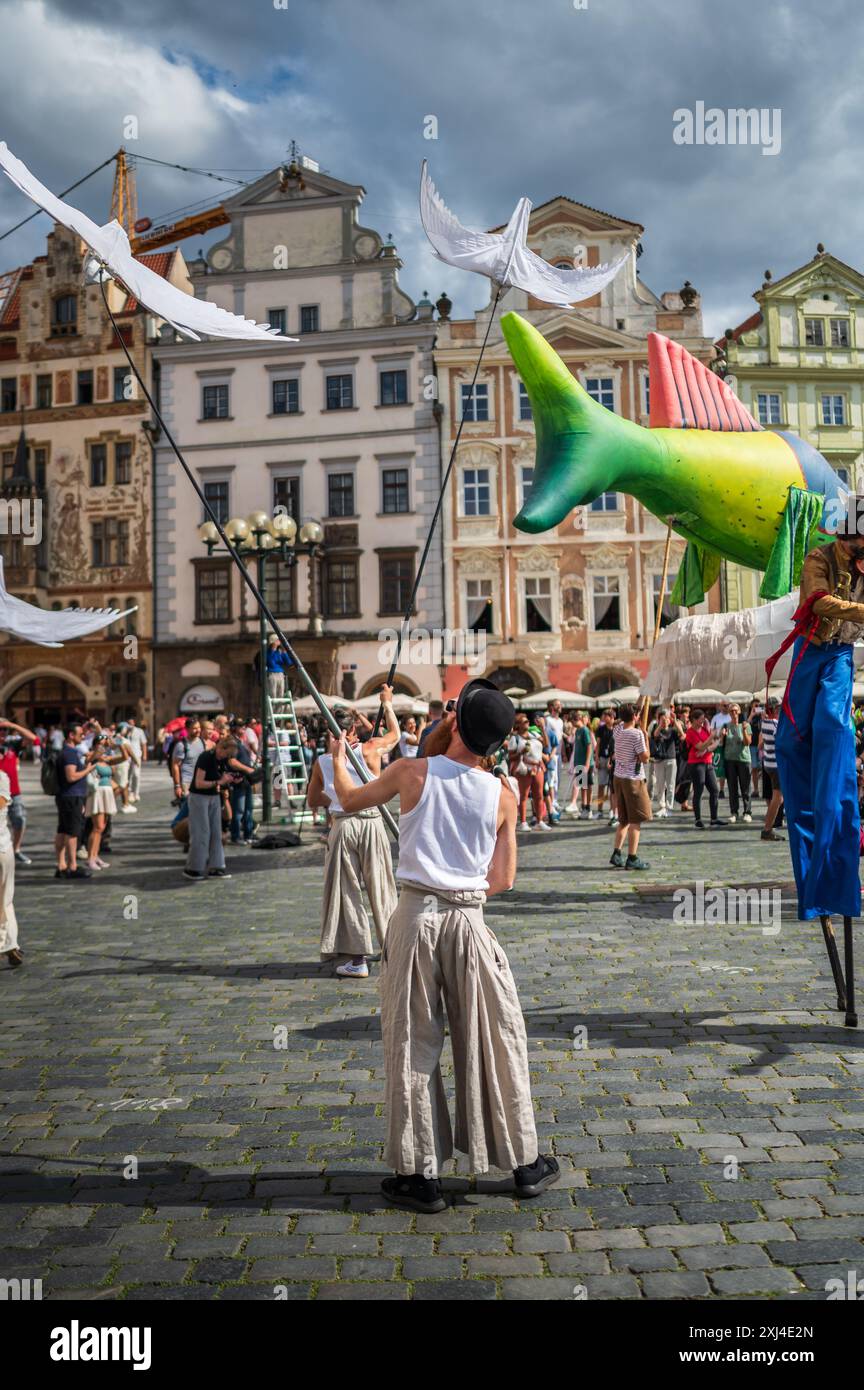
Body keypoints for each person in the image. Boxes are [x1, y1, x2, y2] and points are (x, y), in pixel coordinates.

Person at [329, 677, 560, 1214]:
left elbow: (347, 799)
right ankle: (523, 1162)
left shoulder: (411, 772)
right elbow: (502, 878)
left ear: (454, 721)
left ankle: (419, 1175)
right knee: (496, 1037)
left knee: (412, 1040)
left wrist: (338, 755)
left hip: (414, 917)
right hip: (469, 919)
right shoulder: (505, 793)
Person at [307, 686, 400, 977]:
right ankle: (394, 950)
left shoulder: (323, 762)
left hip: (345, 824)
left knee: (347, 891)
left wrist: (335, 798)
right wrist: (387, 704)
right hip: (372, 821)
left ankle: (357, 958)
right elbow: (395, 736)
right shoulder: (370, 749)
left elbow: (313, 799)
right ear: (353, 732)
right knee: (382, 888)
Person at [184, 732, 240, 881]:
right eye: (225, 754)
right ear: (220, 747)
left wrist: (231, 780)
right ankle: (193, 868)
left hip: (213, 797)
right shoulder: (206, 757)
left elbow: (220, 777)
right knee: (201, 833)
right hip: (199, 798)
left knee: (216, 832)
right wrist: (220, 782)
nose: (225, 757)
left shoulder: (222, 759)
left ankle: (217, 866)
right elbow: (198, 783)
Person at [610, 704, 651, 869]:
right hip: (632, 780)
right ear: (634, 716)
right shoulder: (637, 734)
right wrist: (646, 738)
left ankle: (616, 853)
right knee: (636, 819)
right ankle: (632, 857)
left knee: (624, 819)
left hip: (618, 777)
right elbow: (645, 758)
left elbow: (628, 714)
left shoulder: (618, 730)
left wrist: (637, 706)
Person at [55, 724, 93, 881]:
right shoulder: (70, 753)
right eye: (80, 734)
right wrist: (88, 770)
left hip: (66, 796)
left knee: (63, 831)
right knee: (72, 832)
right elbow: (71, 776)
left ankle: (61, 866)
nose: (83, 736)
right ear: (71, 735)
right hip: (72, 797)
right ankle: (72, 867)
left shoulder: (66, 752)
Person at [0, 716, 36, 864]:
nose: (2, 732)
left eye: (5, 729)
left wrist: (13, 725)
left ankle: (16, 850)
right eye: (0, 729)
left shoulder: (12, 744)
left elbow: (33, 738)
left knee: (20, 820)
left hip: (14, 792)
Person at [84, 733, 122, 870]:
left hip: (107, 793)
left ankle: (95, 855)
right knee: (97, 827)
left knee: (102, 828)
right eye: (103, 744)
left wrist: (119, 744)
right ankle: (90, 858)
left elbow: (124, 757)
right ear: (95, 745)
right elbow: (89, 761)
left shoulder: (106, 759)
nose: (105, 747)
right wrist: (101, 743)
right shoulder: (90, 756)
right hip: (97, 793)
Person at [506, 713, 549, 830]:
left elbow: (546, 744)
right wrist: (522, 752)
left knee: (539, 795)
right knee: (523, 796)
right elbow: (511, 757)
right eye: (524, 722)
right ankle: (523, 822)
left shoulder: (534, 734)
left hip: (537, 767)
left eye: (528, 722)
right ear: (518, 725)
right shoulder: (515, 739)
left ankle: (539, 820)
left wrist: (543, 729)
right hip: (524, 768)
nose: (527, 723)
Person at [684, 709, 721, 829]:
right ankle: (698, 819)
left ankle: (714, 818)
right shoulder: (690, 732)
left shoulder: (705, 729)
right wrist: (710, 738)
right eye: (701, 719)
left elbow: (714, 744)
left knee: (715, 790)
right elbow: (701, 745)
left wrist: (706, 749)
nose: (703, 721)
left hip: (708, 762)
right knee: (698, 791)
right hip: (696, 764)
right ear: (694, 720)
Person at [0, 766, 21, 968]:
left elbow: (1, 802)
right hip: (3, 847)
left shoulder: (1, 777)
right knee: (5, 901)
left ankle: (6, 944)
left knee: (5, 898)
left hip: (2, 848)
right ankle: (10, 943)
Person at [721, 704, 752, 824]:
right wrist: (722, 736)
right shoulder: (726, 726)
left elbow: (747, 742)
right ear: (729, 713)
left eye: (735, 710)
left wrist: (744, 730)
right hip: (730, 759)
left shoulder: (745, 725)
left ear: (739, 712)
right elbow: (721, 743)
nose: (733, 713)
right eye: (731, 711)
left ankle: (747, 812)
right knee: (732, 787)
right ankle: (734, 812)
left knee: (746, 787)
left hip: (744, 759)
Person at [759, 697, 784, 842]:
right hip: (775, 765)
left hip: (769, 764)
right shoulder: (775, 724)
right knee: (778, 798)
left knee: (778, 798)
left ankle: (768, 828)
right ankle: (767, 829)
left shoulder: (765, 722)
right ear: (775, 709)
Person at [649, 709, 679, 817]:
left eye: (667, 718)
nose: (665, 720)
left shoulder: (673, 731)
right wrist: (661, 725)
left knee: (671, 784)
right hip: (659, 760)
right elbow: (655, 735)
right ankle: (662, 807)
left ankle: (669, 807)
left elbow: (683, 735)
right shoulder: (656, 728)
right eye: (662, 718)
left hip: (671, 759)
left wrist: (675, 721)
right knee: (660, 784)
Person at [171, 718, 206, 806]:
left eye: (199, 727)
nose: (198, 730)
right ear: (187, 729)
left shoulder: (202, 742)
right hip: (187, 783)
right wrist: (177, 786)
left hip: (200, 782)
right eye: (194, 728)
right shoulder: (181, 745)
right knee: (187, 812)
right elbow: (175, 766)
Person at [125, 717, 148, 803]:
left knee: (136, 774)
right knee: (128, 775)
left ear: (134, 723)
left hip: (136, 754)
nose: (130, 724)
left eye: (131, 722)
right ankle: (130, 792)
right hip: (127, 756)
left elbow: (144, 743)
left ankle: (136, 792)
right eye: (129, 722)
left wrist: (145, 755)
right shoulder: (125, 731)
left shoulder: (139, 731)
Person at [265, 633, 293, 699]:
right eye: (277, 640)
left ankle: (279, 709)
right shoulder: (268, 652)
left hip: (280, 674)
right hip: (272, 674)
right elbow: (271, 662)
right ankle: (272, 709)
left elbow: (289, 662)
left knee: (281, 695)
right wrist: (274, 648)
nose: (279, 642)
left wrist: (284, 652)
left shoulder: (280, 652)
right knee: (273, 694)